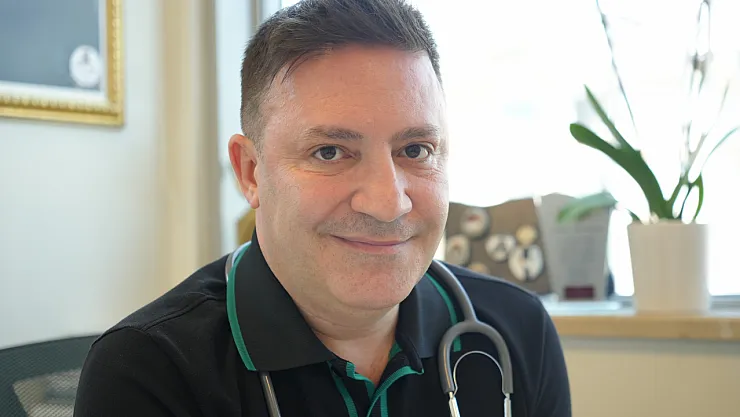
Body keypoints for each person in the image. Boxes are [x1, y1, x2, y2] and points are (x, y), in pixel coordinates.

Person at [74, 0, 571, 416]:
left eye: (415, 149)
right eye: (330, 152)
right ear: (251, 172)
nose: (387, 203)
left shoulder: (516, 331)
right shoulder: (149, 371)